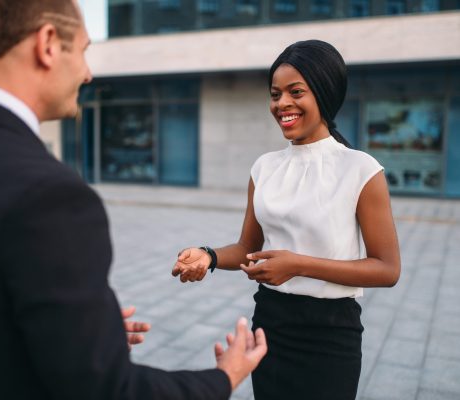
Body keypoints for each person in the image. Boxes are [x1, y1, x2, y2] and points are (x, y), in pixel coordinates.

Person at [0, 1, 266, 399]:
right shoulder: (50, 196)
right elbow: (108, 390)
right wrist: (223, 377)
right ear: (48, 43)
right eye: (84, 51)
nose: (88, 74)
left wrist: (71, 333)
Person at [172, 40, 401, 400]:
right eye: (276, 94)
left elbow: (387, 269)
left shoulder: (361, 170)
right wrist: (209, 256)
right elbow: (247, 248)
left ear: (324, 93)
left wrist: (299, 265)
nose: (282, 104)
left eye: (296, 92)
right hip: (271, 325)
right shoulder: (264, 168)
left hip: (330, 335)